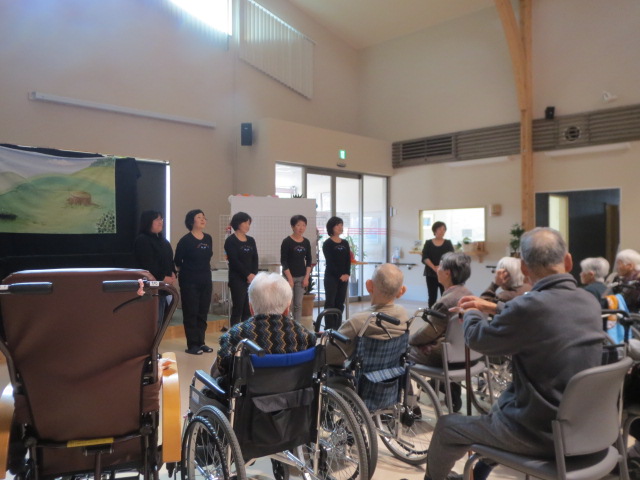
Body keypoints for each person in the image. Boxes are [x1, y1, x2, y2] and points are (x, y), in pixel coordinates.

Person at [424, 227, 604, 480]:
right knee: (500, 407)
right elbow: (544, 315)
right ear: (568, 261)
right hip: (586, 427)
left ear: (525, 268)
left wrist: (473, 313)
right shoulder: (589, 302)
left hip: (539, 433)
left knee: (447, 427)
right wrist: (494, 307)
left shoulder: (529, 306)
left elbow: (478, 340)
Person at [210, 272, 316, 381]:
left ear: (251, 308)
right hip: (294, 391)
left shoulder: (235, 336)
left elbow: (216, 373)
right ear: (287, 309)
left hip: (247, 392)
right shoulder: (304, 336)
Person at [409, 252, 472, 412]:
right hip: (467, 353)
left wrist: (409, 339)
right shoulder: (468, 294)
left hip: (445, 355)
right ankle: (449, 388)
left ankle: (410, 406)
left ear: (447, 272)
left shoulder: (446, 302)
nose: (437, 269)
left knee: (400, 352)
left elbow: (428, 333)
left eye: (440, 266)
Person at [326, 263, 409, 366]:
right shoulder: (403, 315)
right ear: (401, 291)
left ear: (369, 285)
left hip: (360, 375)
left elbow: (329, 355)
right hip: (392, 372)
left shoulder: (357, 322)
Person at [174, 209, 214, 355]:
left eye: (204, 217)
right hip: (189, 281)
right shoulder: (185, 240)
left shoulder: (208, 238)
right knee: (191, 312)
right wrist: (187, 272)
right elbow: (177, 261)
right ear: (191, 221)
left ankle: (201, 342)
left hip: (205, 279)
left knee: (203, 312)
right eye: (199, 217)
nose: (203, 220)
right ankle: (192, 345)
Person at [133, 210, 176, 324]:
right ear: (148, 222)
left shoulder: (164, 241)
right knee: (152, 321)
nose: (160, 222)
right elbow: (148, 264)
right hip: (150, 288)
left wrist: (173, 273)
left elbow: (169, 260)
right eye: (157, 219)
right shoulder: (143, 240)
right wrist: (162, 277)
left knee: (160, 320)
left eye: (161, 219)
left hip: (162, 289)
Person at [224, 211, 259, 327]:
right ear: (238, 223)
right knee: (238, 308)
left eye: (249, 223)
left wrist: (253, 275)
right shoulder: (230, 241)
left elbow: (255, 259)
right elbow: (234, 261)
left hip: (251, 279)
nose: (248, 226)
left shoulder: (251, 240)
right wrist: (247, 274)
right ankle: (234, 334)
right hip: (237, 279)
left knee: (248, 309)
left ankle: (246, 334)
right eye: (245, 223)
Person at [281, 214, 313, 323]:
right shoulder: (287, 241)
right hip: (288, 277)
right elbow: (283, 261)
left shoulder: (306, 242)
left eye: (304, 225)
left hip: (301, 277)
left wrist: (306, 277)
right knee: (288, 304)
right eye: (298, 225)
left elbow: (309, 260)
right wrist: (289, 279)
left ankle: (297, 326)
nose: (301, 228)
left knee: (298, 305)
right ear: (292, 226)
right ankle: (287, 326)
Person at [322, 216, 351, 330]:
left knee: (340, 302)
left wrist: (347, 274)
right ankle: (329, 327)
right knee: (330, 302)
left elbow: (348, 260)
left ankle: (337, 327)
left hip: (344, 277)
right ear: (331, 227)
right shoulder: (327, 243)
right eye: (337, 225)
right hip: (331, 277)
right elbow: (330, 262)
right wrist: (340, 275)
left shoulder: (345, 243)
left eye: (341, 225)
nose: (340, 227)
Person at [422, 221, 454, 308]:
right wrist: (434, 267)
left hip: (444, 272)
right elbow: (425, 257)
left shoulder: (448, 243)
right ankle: (432, 314)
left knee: (445, 295)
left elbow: (451, 256)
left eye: (444, 229)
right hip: (431, 273)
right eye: (440, 229)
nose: (442, 231)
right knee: (432, 296)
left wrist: (440, 267)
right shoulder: (428, 243)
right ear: (435, 230)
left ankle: (444, 313)